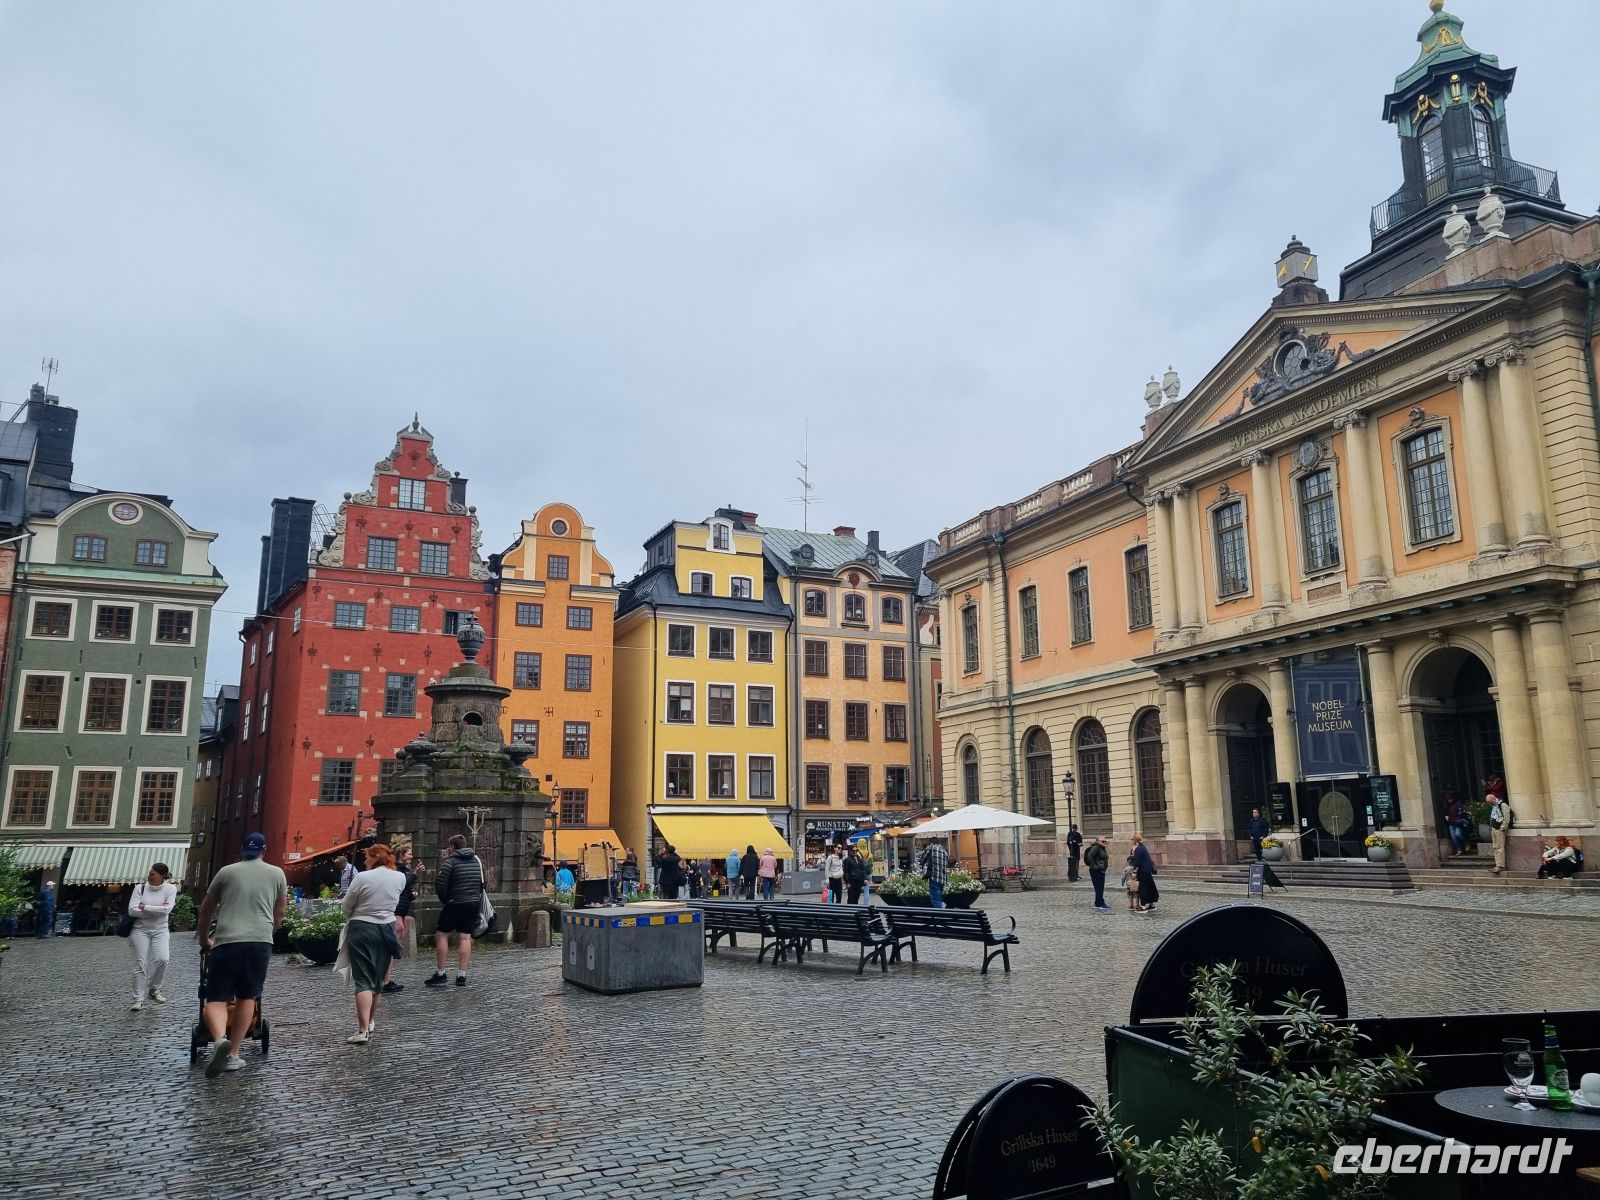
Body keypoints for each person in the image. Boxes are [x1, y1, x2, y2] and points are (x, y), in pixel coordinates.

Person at [196, 833, 287, 1078]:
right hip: (259, 941)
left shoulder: (226, 872)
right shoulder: (277, 873)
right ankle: (233, 1054)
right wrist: (270, 931)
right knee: (248, 996)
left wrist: (205, 938)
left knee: (216, 997)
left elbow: (206, 910)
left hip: (227, 940)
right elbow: (280, 911)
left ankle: (218, 1040)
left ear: (242, 850)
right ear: (264, 851)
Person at [340, 843, 406, 1044]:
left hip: (362, 927)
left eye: (367, 857)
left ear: (376, 856)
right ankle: (370, 1022)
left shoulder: (362, 877)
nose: (365, 861)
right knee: (377, 978)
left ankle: (362, 1030)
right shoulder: (400, 877)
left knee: (363, 979)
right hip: (387, 928)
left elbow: (346, 906)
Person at [427, 834, 485, 988]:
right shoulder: (477, 861)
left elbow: (441, 885)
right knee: (465, 937)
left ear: (452, 847)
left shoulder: (450, 863)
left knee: (441, 934)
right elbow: (482, 882)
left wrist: (446, 900)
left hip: (454, 903)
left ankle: (441, 973)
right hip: (473, 903)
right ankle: (461, 975)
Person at [128, 863, 178, 1010]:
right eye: (149, 873)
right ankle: (138, 999)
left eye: (152, 874)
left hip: (160, 930)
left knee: (163, 959)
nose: (149, 876)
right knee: (140, 964)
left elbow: (167, 910)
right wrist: (158, 909)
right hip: (139, 930)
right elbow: (132, 910)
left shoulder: (170, 889)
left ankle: (154, 988)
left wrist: (146, 907)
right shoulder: (140, 888)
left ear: (162, 876)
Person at [382, 846, 418, 994]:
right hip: (396, 911)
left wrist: (412, 894)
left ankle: (386, 979)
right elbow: (401, 884)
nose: (411, 856)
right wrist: (415, 874)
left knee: (391, 949)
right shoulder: (396, 870)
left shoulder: (404, 870)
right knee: (390, 948)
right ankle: (385, 981)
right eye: (409, 854)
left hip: (401, 911)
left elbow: (404, 891)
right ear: (401, 855)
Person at [1487, 787, 1514, 875]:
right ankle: (1497, 864)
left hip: (1499, 829)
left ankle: (1501, 866)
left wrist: (1502, 828)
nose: (1489, 804)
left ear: (1494, 799)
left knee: (1499, 847)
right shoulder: (1494, 806)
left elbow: (1507, 818)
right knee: (1495, 847)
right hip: (1494, 828)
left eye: (1490, 802)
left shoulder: (1502, 805)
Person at [1131, 833, 1159, 913]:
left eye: (1132, 839)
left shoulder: (1138, 849)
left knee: (1143, 888)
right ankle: (1151, 905)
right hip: (1147, 870)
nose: (1132, 841)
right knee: (1150, 887)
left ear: (1135, 840)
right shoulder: (1143, 847)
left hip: (1143, 871)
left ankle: (1143, 907)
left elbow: (1137, 861)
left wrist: (1134, 870)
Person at [919, 839, 950, 908]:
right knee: (939, 898)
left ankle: (939, 916)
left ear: (931, 843)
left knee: (936, 899)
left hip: (934, 877)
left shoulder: (931, 847)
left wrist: (922, 866)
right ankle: (940, 913)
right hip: (943, 879)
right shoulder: (944, 851)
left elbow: (922, 859)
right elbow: (947, 863)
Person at [1084, 837, 1111, 912]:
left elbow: (1105, 857)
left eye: (1105, 841)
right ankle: (1100, 904)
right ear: (1098, 841)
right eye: (1103, 841)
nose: (1104, 842)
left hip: (1101, 870)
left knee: (1100, 887)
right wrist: (1094, 866)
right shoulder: (1096, 847)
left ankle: (1098, 902)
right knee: (1098, 887)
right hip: (1096, 871)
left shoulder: (1102, 848)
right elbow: (1090, 856)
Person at [1442, 792, 1471, 857]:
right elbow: (1445, 812)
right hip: (1451, 822)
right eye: (1448, 799)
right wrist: (1446, 816)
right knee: (1454, 837)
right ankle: (1459, 850)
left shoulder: (1458, 803)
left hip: (1457, 822)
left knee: (1458, 834)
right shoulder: (1447, 805)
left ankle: (1466, 842)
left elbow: (1463, 811)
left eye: (1450, 798)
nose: (1449, 800)